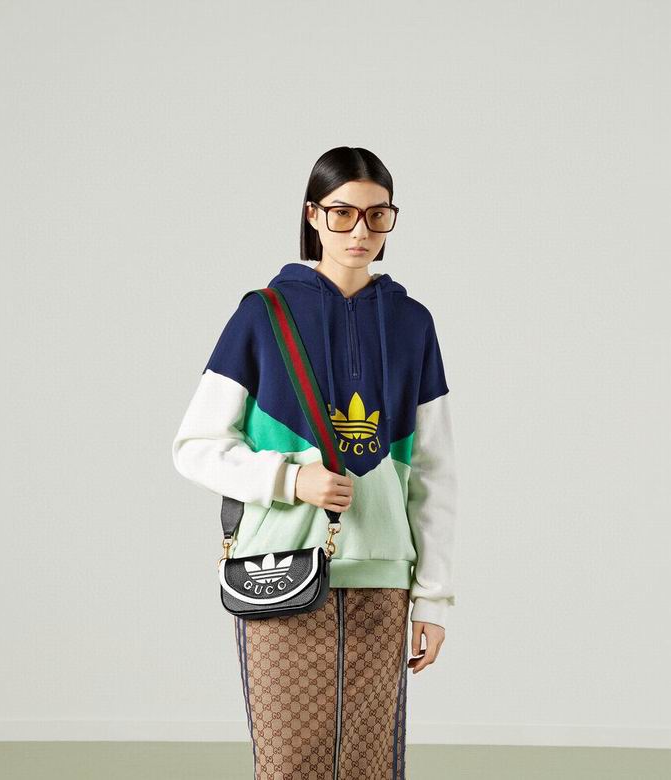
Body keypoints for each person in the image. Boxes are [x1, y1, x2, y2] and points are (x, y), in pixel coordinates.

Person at [172, 146, 457, 779]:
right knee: (290, 765)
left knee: (368, 766)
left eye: (377, 215)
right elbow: (194, 446)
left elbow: (434, 474)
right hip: (280, 573)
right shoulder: (262, 314)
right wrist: (289, 479)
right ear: (313, 215)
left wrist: (433, 601)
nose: (361, 231)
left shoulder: (413, 324)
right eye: (343, 212)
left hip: (383, 577)